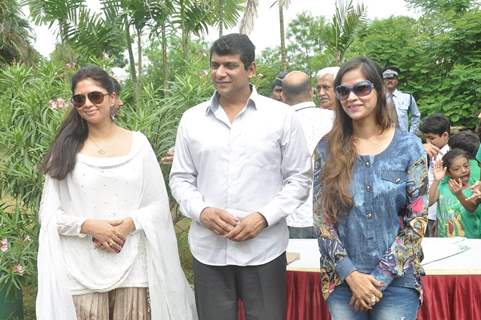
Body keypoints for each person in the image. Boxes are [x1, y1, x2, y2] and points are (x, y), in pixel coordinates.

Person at [36, 66, 196, 320]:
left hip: (134, 267)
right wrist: (89, 226)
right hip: (80, 269)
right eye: (79, 99)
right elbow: (49, 215)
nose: (87, 103)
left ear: (113, 98)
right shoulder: (64, 150)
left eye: (95, 96)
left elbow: (157, 205)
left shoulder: (139, 144)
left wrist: (128, 225)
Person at [169, 33, 311, 320]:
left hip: (264, 248)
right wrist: (202, 211)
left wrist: (263, 217)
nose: (220, 73)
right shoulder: (192, 119)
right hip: (209, 249)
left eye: (230, 65)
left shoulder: (281, 117)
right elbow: (181, 178)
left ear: (251, 69)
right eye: (215, 65)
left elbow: (299, 179)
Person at [313, 57, 428, 319]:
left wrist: (377, 279)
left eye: (361, 88)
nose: (351, 97)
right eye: (343, 90)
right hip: (343, 280)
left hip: (399, 279)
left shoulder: (409, 147)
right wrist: (352, 276)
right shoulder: (325, 149)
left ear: (379, 89)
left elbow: (417, 221)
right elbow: (322, 221)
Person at [281, 70, 334, 238]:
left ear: (282, 95)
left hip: (291, 215)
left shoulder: (277, 123)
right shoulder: (335, 119)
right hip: (329, 213)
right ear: (311, 92)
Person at [429, 149, 481, 238]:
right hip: (444, 240)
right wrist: (436, 180)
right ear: (448, 172)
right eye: (456, 169)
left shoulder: (475, 187)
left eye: (466, 166)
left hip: (470, 240)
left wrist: (459, 194)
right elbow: (429, 202)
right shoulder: (442, 187)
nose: (464, 170)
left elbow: (471, 208)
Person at [419, 113, 451, 236]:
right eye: (425, 138)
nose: (428, 142)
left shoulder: (453, 158)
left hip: (440, 213)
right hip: (423, 211)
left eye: (431, 138)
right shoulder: (423, 151)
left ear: (445, 136)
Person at [383, 66, 421, 134]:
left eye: (392, 78)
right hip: (384, 139)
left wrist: (411, 134)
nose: (390, 81)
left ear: (397, 80)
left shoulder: (407, 97)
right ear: (383, 81)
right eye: (387, 78)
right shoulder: (378, 99)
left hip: (403, 138)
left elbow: (416, 115)